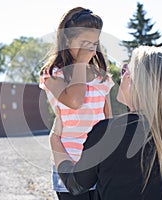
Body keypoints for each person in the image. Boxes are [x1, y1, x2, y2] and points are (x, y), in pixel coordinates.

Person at [50, 45, 162, 200]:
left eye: (125, 70)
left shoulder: (109, 132)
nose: (121, 76)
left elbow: (75, 185)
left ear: (135, 82)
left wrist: (55, 140)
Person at [39, 7, 114, 200]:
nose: (89, 49)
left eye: (94, 43)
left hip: (99, 164)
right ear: (66, 40)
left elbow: (108, 120)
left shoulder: (101, 78)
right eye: (83, 43)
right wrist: (80, 63)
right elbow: (74, 101)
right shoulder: (53, 75)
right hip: (69, 164)